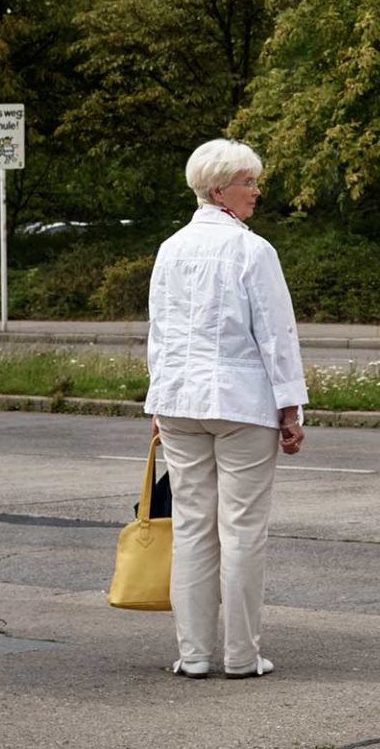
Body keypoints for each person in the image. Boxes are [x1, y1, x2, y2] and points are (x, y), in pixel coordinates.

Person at [145, 139, 308, 680]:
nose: (256, 191)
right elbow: (276, 335)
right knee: (241, 530)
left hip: (180, 403)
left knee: (192, 526)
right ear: (219, 190)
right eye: (248, 182)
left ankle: (193, 655)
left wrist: (159, 396)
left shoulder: (170, 249)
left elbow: (160, 331)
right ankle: (241, 655)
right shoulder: (253, 251)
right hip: (242, 403)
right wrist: (291, 408)